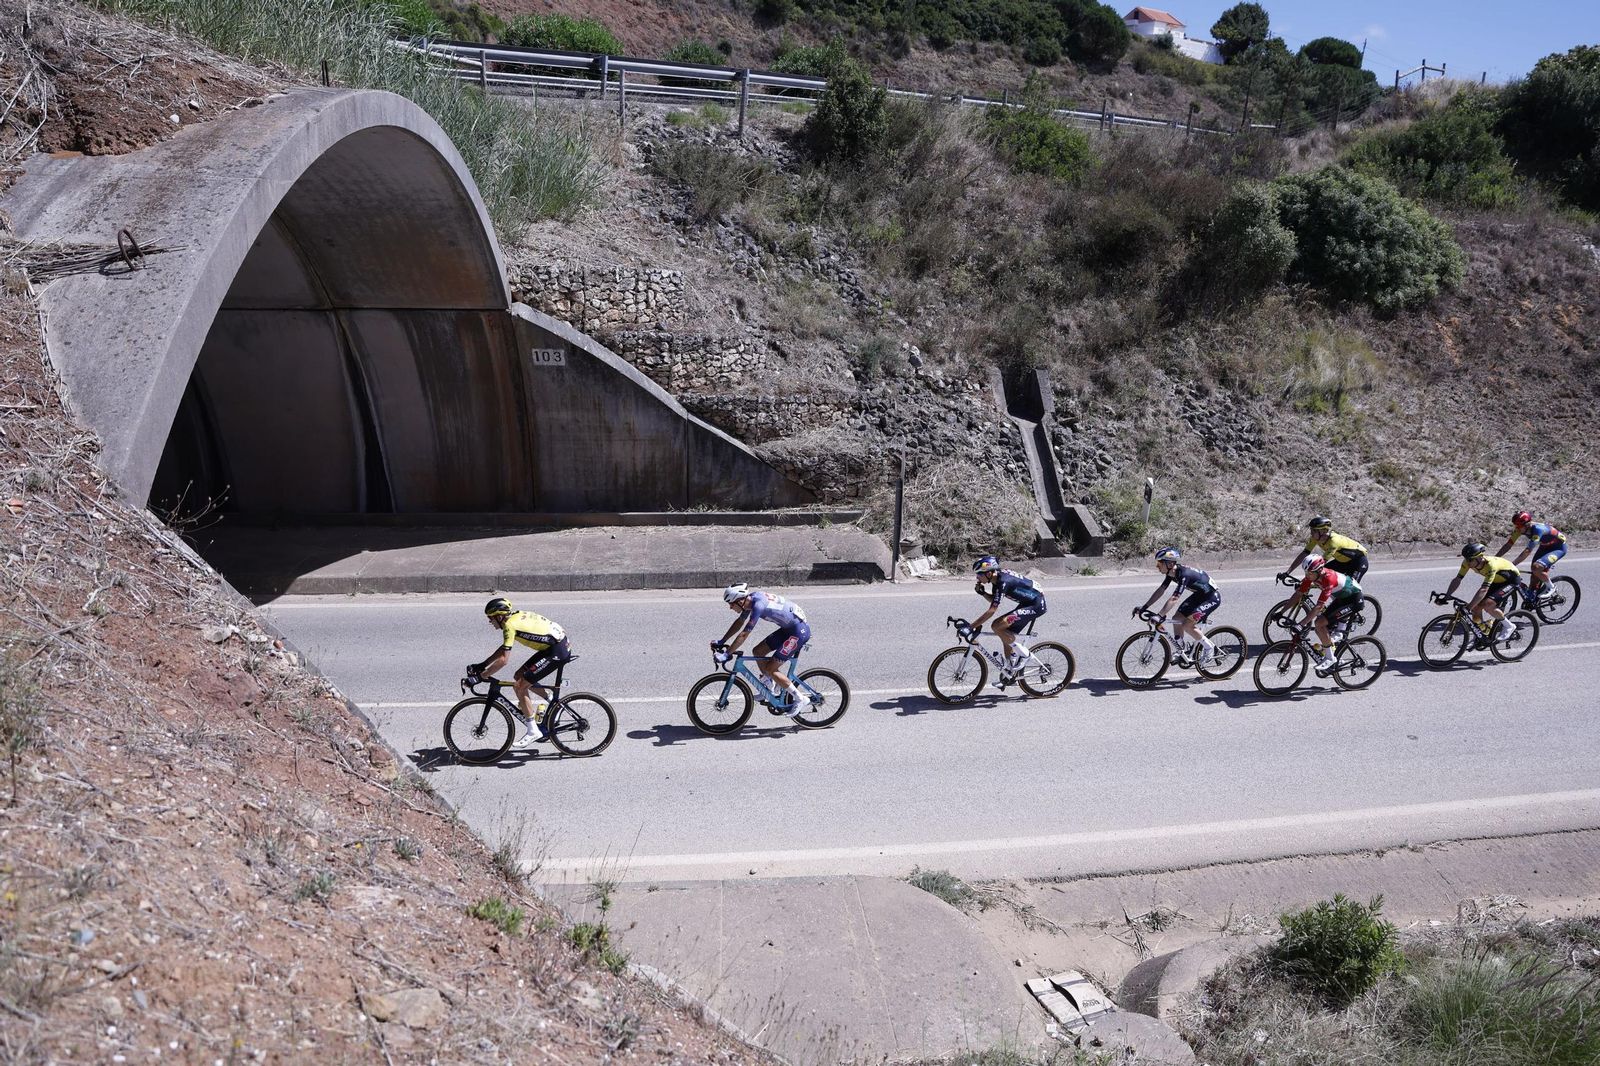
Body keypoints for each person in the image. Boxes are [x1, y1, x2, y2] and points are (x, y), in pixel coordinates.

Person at [469, 597, 572, 749]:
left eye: (491, 618)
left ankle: (532, 731)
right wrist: (483, 665)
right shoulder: (513, 618)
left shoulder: (509, 626)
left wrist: (481, 676)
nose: (490, 622)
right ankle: (552, 703)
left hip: (556, 651)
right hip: (554, 646)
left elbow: (504, 660)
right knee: (519, 676)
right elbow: (504, 648)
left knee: (519, 686)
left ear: (499, 616)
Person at [713, 583, 809, 713]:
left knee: (771, 668)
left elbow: (744, 633)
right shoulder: (749, 601)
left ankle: (800, 698)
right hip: (788, 629)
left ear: (741, 600)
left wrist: (727, 653)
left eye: (731, 603)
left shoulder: (758, 605)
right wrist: (722, 641)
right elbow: (739, 623)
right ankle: (769, 686)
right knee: (758, 651)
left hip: (798, 632)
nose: (730, 607)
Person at [970, 555, 1047, 684]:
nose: (977, 578)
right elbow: (995, 600)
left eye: (979, 574)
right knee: (1004, 631)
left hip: (1036, 604)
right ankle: (1010, 671)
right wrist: (983, 593)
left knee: (996, 626)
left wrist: (971, 626)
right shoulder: (996, 580)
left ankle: (1025, 655)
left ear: (989, 573)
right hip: (1027, 602)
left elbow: (992, 610)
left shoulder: (1003, 581)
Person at [1136, 547, 1219, 666]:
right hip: (1200, 596)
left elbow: (1175, 598)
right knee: (1176, 619)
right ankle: (1181, 649)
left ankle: (1209, 648)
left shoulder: (1184, 574)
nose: (1157, 566)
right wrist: (1144, 606)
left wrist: (1160, 615)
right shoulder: (1171, 573)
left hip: (1211, 598)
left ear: (1170, 563)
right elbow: (1161, 590)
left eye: (1159, 563)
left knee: (1187, 625)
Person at [1292, 554, 1366, 673]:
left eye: (1310, 573)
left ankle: (1330, 657)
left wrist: (1301, 624)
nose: (1307, 575)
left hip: (1354, 600)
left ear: (1319, 570)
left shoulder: (1328, 578)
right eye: (1306, 572)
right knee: (1320, 628)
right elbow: (1298, 594)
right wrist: (1280, 613)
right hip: (1341, 599)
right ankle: (1334, 647)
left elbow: (1318, 606)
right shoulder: (1312, 576)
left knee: (1319, 623)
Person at [1440, 543, 1521, 644]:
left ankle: (1509, 626)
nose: (1467, 562)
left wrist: (1468, 607)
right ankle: (1481, 632)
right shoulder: (1467, 562)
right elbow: (1457, 579)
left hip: (1511, 581)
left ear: (1479, 558)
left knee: (1487, 605)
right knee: (1476, 608)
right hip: (1496, 581)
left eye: (1470, 560)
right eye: (1466, 559)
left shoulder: (1491, 565)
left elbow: (1483, 590)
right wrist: (1447, 595)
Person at [1497, 510, 1567, 601]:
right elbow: (1508, 545)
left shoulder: (1538, 530)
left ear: (1526, 525)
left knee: (1536, 567)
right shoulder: (1520, 529)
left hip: (1558, 548)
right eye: (1515, 526)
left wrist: (1512, 565)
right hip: (1545, 546)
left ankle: (1551, 587)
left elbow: (1527, 551)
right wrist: (1496, 558)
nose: (1517, 528)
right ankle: (1532, 597)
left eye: (1519, 526)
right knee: (1534, 574)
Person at [1283, 515, 1370, 582]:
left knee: (1350, 588)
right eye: (1311, 530)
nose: (1311, 533)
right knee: (1324, 580)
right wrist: (1288, 572)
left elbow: (1319, 564)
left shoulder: (1334, 542)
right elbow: (1304, 553)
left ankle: (1357, 603)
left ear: (1322, 531)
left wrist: (1305, 580)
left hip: (1358, 562)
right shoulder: (1315, 538)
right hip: (1342, 562)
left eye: (1313, 531)